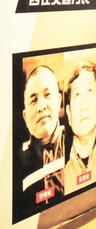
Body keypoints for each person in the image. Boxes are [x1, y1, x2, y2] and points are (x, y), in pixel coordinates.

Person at [18, 66, 65, 214]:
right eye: (34, 100)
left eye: (47, 95)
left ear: (59, 102)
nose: (41, 106)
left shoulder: (76, 143)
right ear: (25, 117)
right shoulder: (18, 164)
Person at [64, 61, 96, 194]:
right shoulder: (57, 169)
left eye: (90, 91)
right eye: (77, 95)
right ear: (69, 113)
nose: (84, 106)